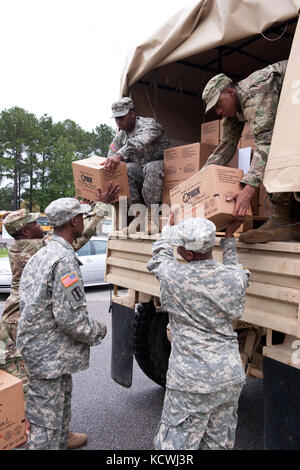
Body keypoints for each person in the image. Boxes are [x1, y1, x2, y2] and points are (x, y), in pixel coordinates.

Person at [0, 183, 118, 449]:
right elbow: (71, 319)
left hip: (40, 348)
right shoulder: (58, 258)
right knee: (45, 426)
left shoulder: (41, 251)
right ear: (74, 221)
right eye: (79, 216)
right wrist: (98, 330)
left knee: (57, 409)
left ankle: (60, 437)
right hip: (47, 355)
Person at [147, 214, 249, 450]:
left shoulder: (174, 277)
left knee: (175, 448)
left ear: (189, 255)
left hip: (191, 382)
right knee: (217, 444)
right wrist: (230, 239)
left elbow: (158, 258)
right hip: (229, 377)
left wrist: (166, 232)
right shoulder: (234, 278)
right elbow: (237, 268)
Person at [202, 61, 300, 243]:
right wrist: (199, 182)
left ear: (230, 92)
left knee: (280, 150)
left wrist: (248, 190)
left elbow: (266, 143)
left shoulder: (255, 93)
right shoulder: (234, 108)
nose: (218, 111)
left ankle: (281, 222)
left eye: (218, 104)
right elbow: (226, 146)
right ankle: (290, 223)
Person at [105, 97, 170, 234]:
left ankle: (153, 218)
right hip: (142, 172)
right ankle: (140, 217)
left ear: (132, 114)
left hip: (165, 167)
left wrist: (120, 155)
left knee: (151, 167)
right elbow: (111, 155)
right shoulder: (120, 136)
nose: (118, 121)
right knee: (125, 170)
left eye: (122, 117)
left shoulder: (149, 125)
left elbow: (139, 142)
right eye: (116, 118)